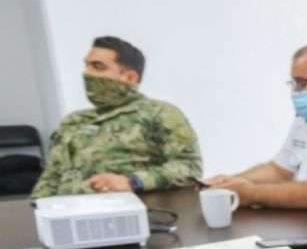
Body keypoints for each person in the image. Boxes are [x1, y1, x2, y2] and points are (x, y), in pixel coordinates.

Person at [31, 36, 201, 198]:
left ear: (130, 77)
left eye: (98, 67)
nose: (87, 73)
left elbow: (189, 167)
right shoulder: (73, 121)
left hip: (136, 210)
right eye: (87, 66)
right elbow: (51, 177)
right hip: (68, 212)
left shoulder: (159, 113)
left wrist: (132, 181)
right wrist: (37, 207)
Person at [203, 43, 307, 209]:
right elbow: (279, 171)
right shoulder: (303, 120)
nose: (295, 92)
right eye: (293, 84)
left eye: (302, 83)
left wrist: (251, 193)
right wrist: (230, 182)